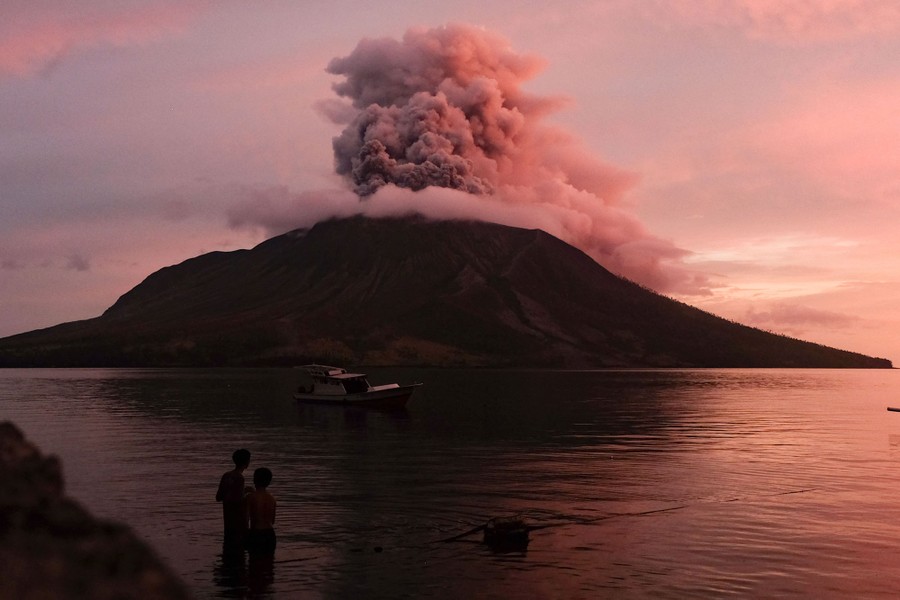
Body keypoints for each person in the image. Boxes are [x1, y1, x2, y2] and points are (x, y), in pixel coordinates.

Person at [215, 448, 251, 549]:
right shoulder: (240, 478)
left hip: (228, 523)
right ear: (247, 462)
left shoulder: (226, 475)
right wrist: (247, 495)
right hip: (238, 525)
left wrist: (243, 491)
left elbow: (218, 497)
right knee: (238, 556)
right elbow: (239, 501)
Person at [244, 467, 277, 556]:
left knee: (254, 565)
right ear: (268, 482)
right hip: (270, 534)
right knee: (269, 565)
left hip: (256, 533)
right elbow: (272, 521)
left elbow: (245, 519)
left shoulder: (250, 497)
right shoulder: (272, 499)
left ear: (254, 480)